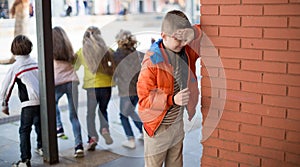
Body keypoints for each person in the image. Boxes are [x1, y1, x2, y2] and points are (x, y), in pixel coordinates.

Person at [137, 10, 202, 167]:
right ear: (164, 35)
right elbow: (144, 99)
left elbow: (204, 32)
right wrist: (172, 99)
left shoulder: (187, 51)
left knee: (176, 163)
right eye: (177, 39)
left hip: (177, 124)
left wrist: (191, 32)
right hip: (157, 128)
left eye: (184, 39)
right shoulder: (152, 61)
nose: (182, 43)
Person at [0, 35, 43, 167]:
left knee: (24, 130)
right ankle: (42, 147)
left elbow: (6, 88)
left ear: (13, 49)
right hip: (42, 101)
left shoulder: (15, 67)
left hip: (28, 104)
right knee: (39, 125)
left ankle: (25, 160)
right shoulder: (36, 62)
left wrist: (4, 105)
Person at [74, 26, 115, 151]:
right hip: (107, 86)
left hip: (92, 88)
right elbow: (115, 63)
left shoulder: (82, 51)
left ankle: (92, 138)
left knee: (90, 114)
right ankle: (104, 129)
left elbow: (74, 67)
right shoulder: (107, 50)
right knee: (103, 110)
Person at [52, 26, 84, 158]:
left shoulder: (50, 51)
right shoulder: (70, 51)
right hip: (72, 82)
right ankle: (79, 146)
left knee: (52, 105)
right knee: (74, 116)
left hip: (57, 82)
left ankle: (59, 126)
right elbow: (76, 64)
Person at [113, 29, 144, 149]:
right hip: (137, 89)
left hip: (126, 90)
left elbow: (115, 73)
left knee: (123, 115)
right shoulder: (136, 53)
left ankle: (130, 139)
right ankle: (143, 132)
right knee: (130, 111)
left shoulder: (117, 55)